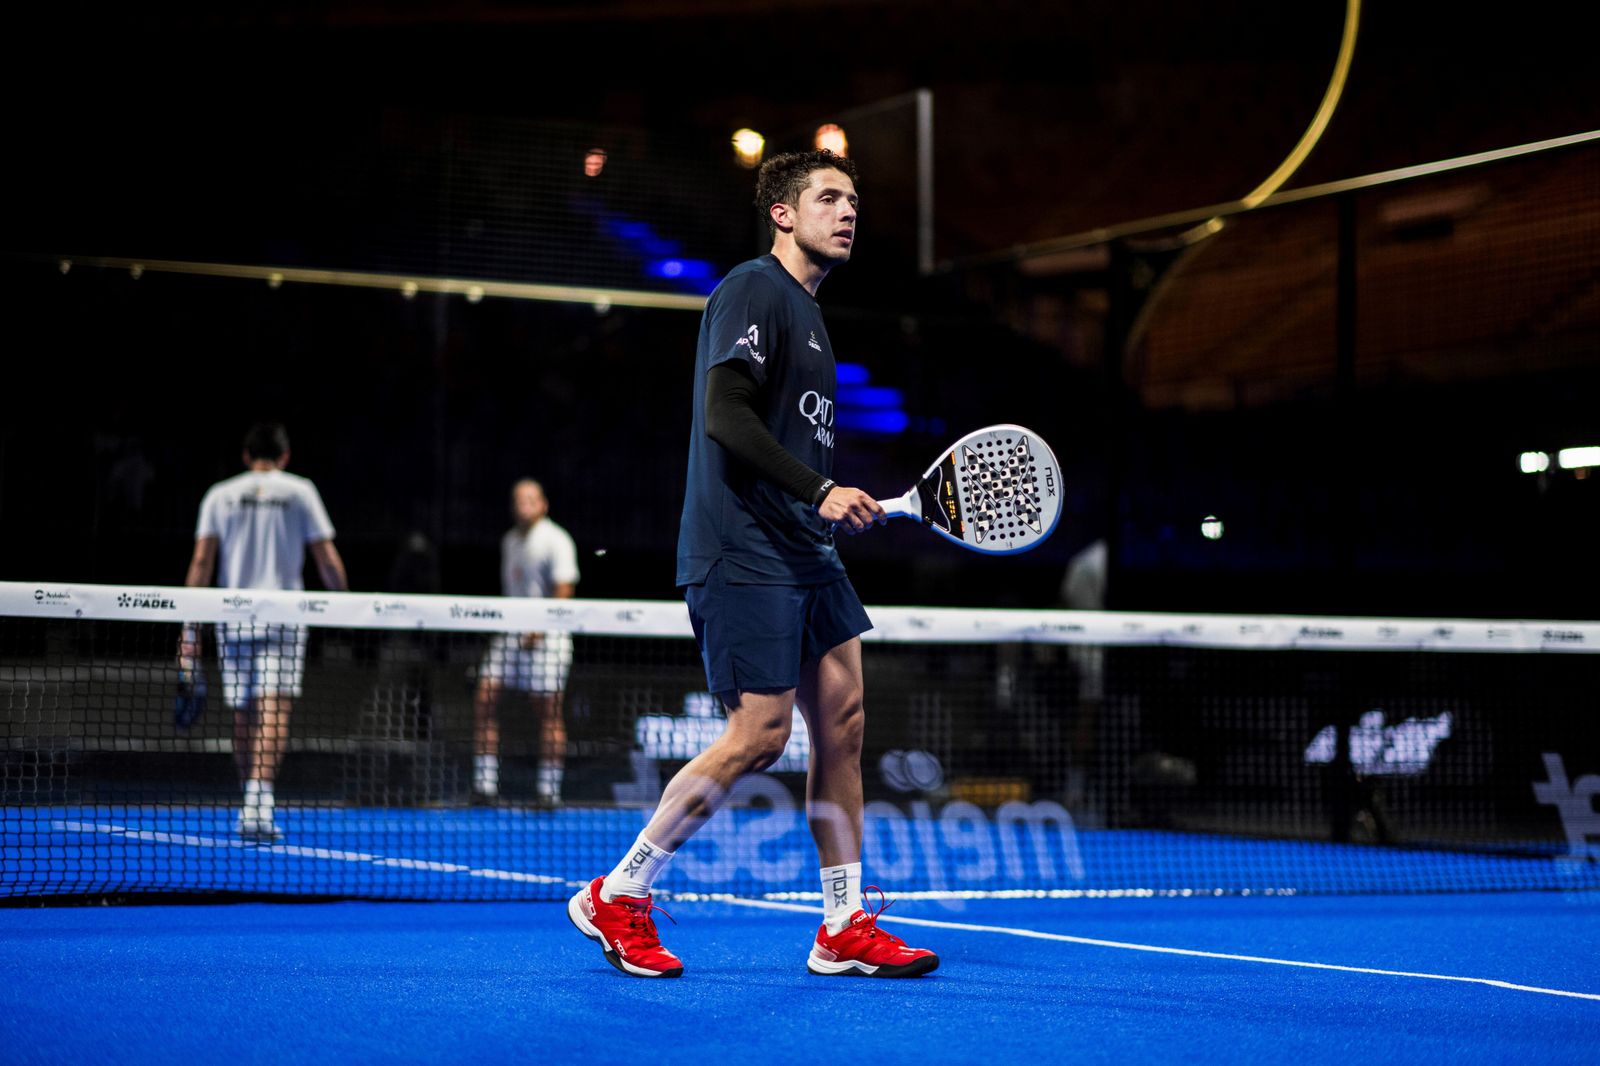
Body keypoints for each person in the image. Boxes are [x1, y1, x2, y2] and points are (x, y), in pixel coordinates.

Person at [567, 150, 939, 979]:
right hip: (742, 548)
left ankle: (842, 923)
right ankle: (619, 893)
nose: (848, 212)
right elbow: (724, 415)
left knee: (843, 724)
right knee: (762, 735)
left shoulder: (811, 315)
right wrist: (821, 489)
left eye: (854, 200)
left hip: (807, 551)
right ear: (783, 213)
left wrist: (824, 504)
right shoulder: (753, 289)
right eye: (829, 198)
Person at [181, 422, 348, 840]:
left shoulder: (219, 494)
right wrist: (346, 605)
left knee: (245, 714)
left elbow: (201, 562)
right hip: (285, 617)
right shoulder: (300, 491)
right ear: (285, 455)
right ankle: (260, 803)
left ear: (246, 455)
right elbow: (326, 557)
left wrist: (189, 626)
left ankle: (251, 802)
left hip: (231, 617)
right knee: (273, 709)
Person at [472, 479, 580, 807]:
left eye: (530, 499)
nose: (524, 505)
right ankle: (484, 786)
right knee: (484, 698)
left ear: (543, 504)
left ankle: (548, 791)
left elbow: (565, 586)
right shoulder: (509, 540)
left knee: (548, 711)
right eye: (518, 499)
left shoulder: (557, 539)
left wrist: (541, 627)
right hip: (510, 633)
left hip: (548, 637)